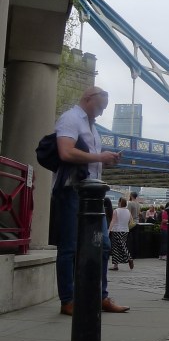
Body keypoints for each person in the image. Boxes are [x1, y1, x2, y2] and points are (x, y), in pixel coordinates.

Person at [53, 87, 130, 315]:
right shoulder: (70, 119)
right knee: (69, 247)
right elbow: (65, 152)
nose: (101, 112)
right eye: (100, 107)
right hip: (72, 191)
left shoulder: (92, 127)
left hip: (94, 194)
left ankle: (100, 296)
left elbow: (87, 158)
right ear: (87, 98)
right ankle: (68, 300)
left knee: (103, 246)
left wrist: (106, 159)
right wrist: (99, 156)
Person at [109, 197, 134, 271]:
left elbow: (113, 221)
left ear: (120, 202)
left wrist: (108, 230)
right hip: (125, 230)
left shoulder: (116, 211)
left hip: (116, 230)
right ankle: (115, 265)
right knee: (122, 245)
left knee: (116, 247)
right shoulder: (128, 211)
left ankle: (129, 258)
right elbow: (131, 221)